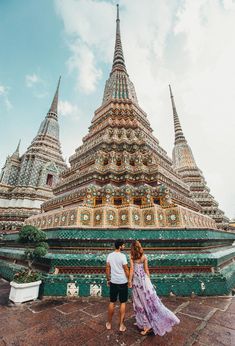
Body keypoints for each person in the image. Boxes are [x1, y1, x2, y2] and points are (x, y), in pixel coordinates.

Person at [128, 240, 180, 336]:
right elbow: (146, 270)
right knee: (149, 303)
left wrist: (129, 281)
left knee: (139, 303)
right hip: (144, 281)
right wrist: (149, 282)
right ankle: (143, 322)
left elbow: (131, 270)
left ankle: (146, 325)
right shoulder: (144, 257)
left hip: (137, 283)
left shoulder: (131, 257)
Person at [106, 239, 129, 332]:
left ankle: (109, 323)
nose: (124, 247)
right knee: (123, 302)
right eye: (123, 245)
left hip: (113, 282)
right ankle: (121, 325)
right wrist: (129, 280)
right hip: (123, 282)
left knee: (112, 302)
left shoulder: (110, 255)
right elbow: (126, 269)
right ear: (120, 246)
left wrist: (108, 279)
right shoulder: (123, 256)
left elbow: (107, 268)